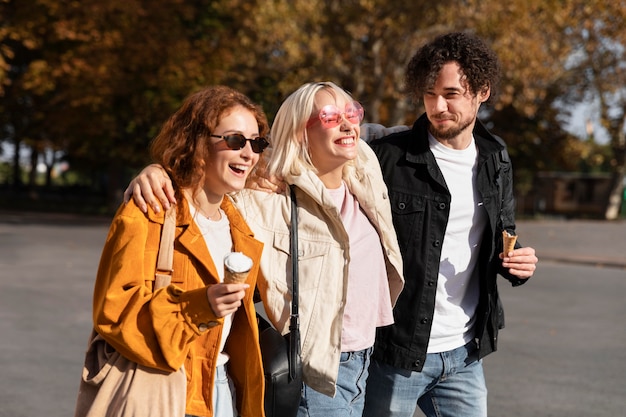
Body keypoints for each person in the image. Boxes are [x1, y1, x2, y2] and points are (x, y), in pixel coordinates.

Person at [124, 81, 405, 417]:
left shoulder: (365, 167)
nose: (346, 124)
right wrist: (159, 173)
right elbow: (204, 188)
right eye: (329, 117)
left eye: (351, 112)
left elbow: (409, 133)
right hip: (316, 369)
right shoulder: (267, 198)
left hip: (367, 357)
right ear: (302, 133)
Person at [361, 32, 538, 417]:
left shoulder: (496, 157)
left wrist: (518, 263)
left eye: (451, 94)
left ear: (482, 91)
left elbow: (504, 236)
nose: (437, 106)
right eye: (429, 94)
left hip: (464, 354)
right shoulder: (389, 158)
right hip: (397, 352)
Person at [87, 86, 270, 417]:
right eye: (234, 140)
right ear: (198, 142)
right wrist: (198, 307)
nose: (249, 153)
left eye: (256, 143)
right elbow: (114, 312)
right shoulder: (150, 210)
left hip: (221, 391)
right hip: (163, 390)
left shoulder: (239, 223)